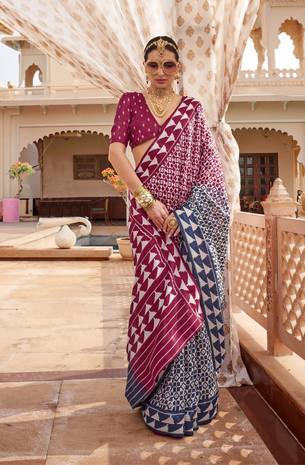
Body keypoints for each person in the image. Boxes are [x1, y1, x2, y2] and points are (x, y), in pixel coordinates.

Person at [109, 36, 230, 437]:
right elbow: (115, 154)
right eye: (153, 65)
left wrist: (184, 217)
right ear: (144, 66)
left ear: (178, 68)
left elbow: (208, 172)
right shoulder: (130, 102)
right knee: (162, 294)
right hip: (146, 220)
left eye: (169, 65)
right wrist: (147, 203)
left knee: (189, 298)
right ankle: (156, 393)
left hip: (184, 224)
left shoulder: (191, 111)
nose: (161, 73)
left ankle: (184, 399)